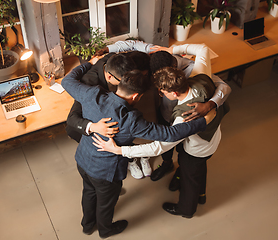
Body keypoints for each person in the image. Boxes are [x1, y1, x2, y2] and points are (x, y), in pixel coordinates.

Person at [61, 56, 215, 238]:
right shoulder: (130, 120)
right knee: (105, 202)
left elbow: (66, 80)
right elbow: (170, 134)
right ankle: (105, 230)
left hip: (83, 159)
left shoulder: (92, 94)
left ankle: (87, 225)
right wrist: (203, 121)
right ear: (136, 96)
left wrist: (90, 64)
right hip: (105, 171)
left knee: (88, 192)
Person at [92, 44, 229, 218]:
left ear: (172, 92)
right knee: (198, 169)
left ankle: (186, 209)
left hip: (197, 148)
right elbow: (203, 49)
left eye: (162, 91)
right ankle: (201, 195)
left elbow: (158, 147)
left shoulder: (184, 116)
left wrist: (119, 150)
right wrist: (172, 50)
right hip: (214, 135)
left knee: (191, 175)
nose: (161, 94)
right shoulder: (200, 75)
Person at [65, 51, 153, 179]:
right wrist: (93, 127)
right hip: (95, 126)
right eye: (122, 81)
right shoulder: (90, 84)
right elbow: (72, 119)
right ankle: (124, 164)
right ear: (110, 77)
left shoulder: (114, 58)